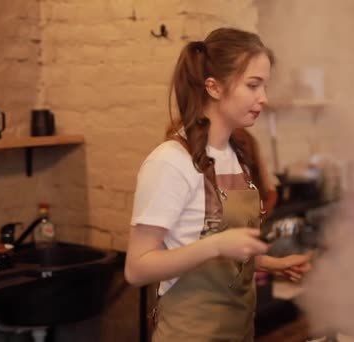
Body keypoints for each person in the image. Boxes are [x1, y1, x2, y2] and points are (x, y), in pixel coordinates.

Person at [125, 28, 312, 341]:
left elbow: (220, 254)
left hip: (238, 331)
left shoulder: (235, 155)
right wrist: (215, 245)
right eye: (253, 85)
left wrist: (271, 263)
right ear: (213, 87)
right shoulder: (170, 162)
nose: (263, 98)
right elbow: (137, 268)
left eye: (265, 85)